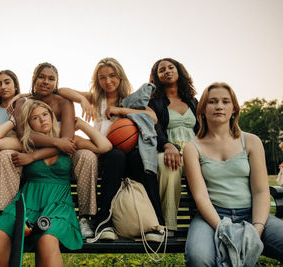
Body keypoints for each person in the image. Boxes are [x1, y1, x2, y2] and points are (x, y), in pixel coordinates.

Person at [0, 99, 111, 267]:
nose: (42, 119)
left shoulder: (69, 141)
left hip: (58, 205)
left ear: (52, 116)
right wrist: (13, 122)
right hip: (28, 202)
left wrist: (79, 124)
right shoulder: (26, 143)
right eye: (35, 118)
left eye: (45, 114)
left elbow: (105, 146)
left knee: (47, 240)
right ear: (29, 123)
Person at [57, 57, 164, 240]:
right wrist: (82, 99)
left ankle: (155, 222)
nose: (108, 81)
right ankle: (104, 221)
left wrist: (121, 111)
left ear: (120, 77)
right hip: (104, 153)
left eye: (112, 76)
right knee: (115, 156)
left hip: (128, 152)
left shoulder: (130, 100)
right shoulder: (97, 99)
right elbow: (61, 90)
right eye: (102, 78)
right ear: (97, 81)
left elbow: (151, 117)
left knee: (141, 159)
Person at [184, 82, 283, 265]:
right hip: (212, 216)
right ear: (203, 109)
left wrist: (257, 230)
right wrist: (223, 229)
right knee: (198, 258)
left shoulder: (251, 141)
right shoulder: (192, 148)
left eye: (225, 101)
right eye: (212, 102)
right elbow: (201, 197)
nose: (219, 106)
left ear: (234, 108)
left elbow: (261, 191)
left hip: (252, 214)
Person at [10, 62, 99, 237]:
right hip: (34, 154)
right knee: (10, 155)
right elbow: (25, 136)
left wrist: (39, 153)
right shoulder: (22, 102)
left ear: (56, 83)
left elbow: (67, 141)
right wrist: (56, 143)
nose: (46, 81)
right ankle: (10, 212)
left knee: (87, 156)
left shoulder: (64, 102)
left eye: (51, 79)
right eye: (41, 77)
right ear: (34, 79)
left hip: (63, 156)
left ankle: (85, 217)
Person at [148, 58, 199, 233]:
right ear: (156, 77)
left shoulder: (193, 101)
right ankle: (168, 225)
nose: (167, 71)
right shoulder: (153, 102)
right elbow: (154, 128)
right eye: (162, 70)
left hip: (194, 152)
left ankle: (205, 220)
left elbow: (203, 130)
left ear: (179, 72)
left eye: (171, 67)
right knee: (168, 165)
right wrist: (168, 145)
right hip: (168, 150)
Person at [0, 70, 24, 211]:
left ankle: (6, 212)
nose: (3, 87)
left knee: (7, 155)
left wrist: (17, 98)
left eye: (7, 82)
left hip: (14, 155)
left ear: (16, 86)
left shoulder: (23, 105)